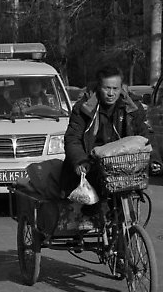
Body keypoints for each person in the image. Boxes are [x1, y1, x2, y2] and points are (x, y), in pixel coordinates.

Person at [60, 66, 149, 205]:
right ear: (98, 86)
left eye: (115, 89)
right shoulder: (83, 107)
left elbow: (144, 133)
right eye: (106, 88)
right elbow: (73, 139)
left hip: (121, 169)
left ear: (122, 88)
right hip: (91, 166)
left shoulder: (132, 107)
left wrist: (155, 158)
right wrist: (80, 161)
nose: (111, 93)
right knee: (90, 211)